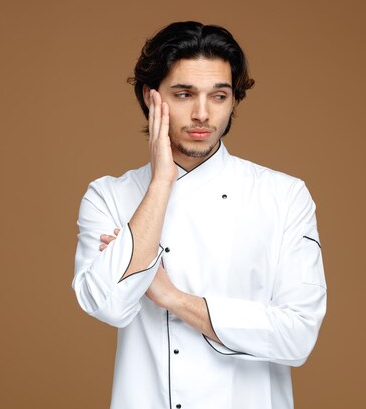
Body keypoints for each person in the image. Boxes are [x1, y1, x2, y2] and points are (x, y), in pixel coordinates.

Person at [72, 21, 327, 409]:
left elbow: (297, 335)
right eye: (184, 94)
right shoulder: (108, 195)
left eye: (219, 96)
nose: (202, 114)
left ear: (233, 100)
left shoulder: (283, 196)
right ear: (151, 96)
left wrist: (171, 297)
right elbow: (107, 304)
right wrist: (161, 182)